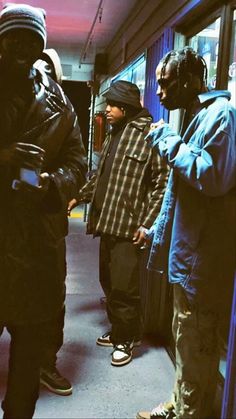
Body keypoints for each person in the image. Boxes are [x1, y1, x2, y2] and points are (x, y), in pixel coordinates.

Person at [137, 47, 236, 418]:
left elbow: (212, 177)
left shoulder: (221, 115)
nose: (160, 92)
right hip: (188, 256)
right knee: (187, 341)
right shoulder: (196, 116)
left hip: (202, 262)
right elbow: (179, 193)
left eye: (166, 83)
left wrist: (167, 142)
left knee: (197, 346)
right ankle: (180, 407)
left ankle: (189, 413)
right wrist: (157, 233)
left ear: (191, 81)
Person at [0, 3, 87, 418]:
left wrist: (49, 183)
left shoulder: (59, 101)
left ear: (40, 44)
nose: (20, 45)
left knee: (26, 367)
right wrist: (3, 157)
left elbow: (77, 164)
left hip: (36, 246)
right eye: (11, 36)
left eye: (29, 38)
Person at [68, 80, 168, 366]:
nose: (107, 110)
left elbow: (162, 184)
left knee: (125, 287)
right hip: (108, 221)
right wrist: (78, 197)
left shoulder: (149, 135)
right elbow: (101, 178)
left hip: (129, 225)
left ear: (124, 107)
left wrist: (146, 224)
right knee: (109, 281)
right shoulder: (115, 133)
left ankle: (127, 339)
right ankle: (121, 331)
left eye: (111, 105)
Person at [35, 48, 73, 396]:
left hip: (46, 223)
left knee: (49, 299)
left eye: (46, 66)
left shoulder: (65, 110)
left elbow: (76, 164)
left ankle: (45, 364)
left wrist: (53, 179)